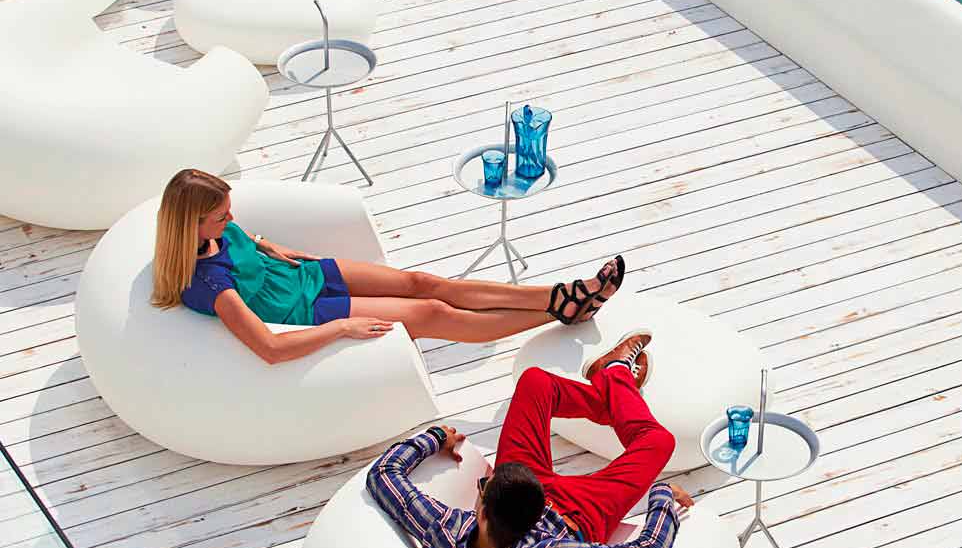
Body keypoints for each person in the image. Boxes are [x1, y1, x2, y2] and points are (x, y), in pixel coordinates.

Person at [150, 169, 625, 364]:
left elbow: (241, 238)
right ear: (192, 223)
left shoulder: (214, 231)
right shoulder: (210, 284)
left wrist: (270, 247)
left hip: (302, 274)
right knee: (433, 314)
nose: (230, 218)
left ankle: (561, 293)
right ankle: (561, 311)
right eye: (221, 216)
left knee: (422, 282)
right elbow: (270, 348)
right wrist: (342, 328)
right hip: (305, 311)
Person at [367, 332, 694, 548]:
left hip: (524, 492)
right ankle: (616, 379)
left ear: (482, 511)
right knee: (659, 441)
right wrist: (662, 496)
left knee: (536, 381)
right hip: (580, 515)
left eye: (485, 484)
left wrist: (436, 436)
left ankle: (614, 396)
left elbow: (382, 474)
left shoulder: (444, 530)